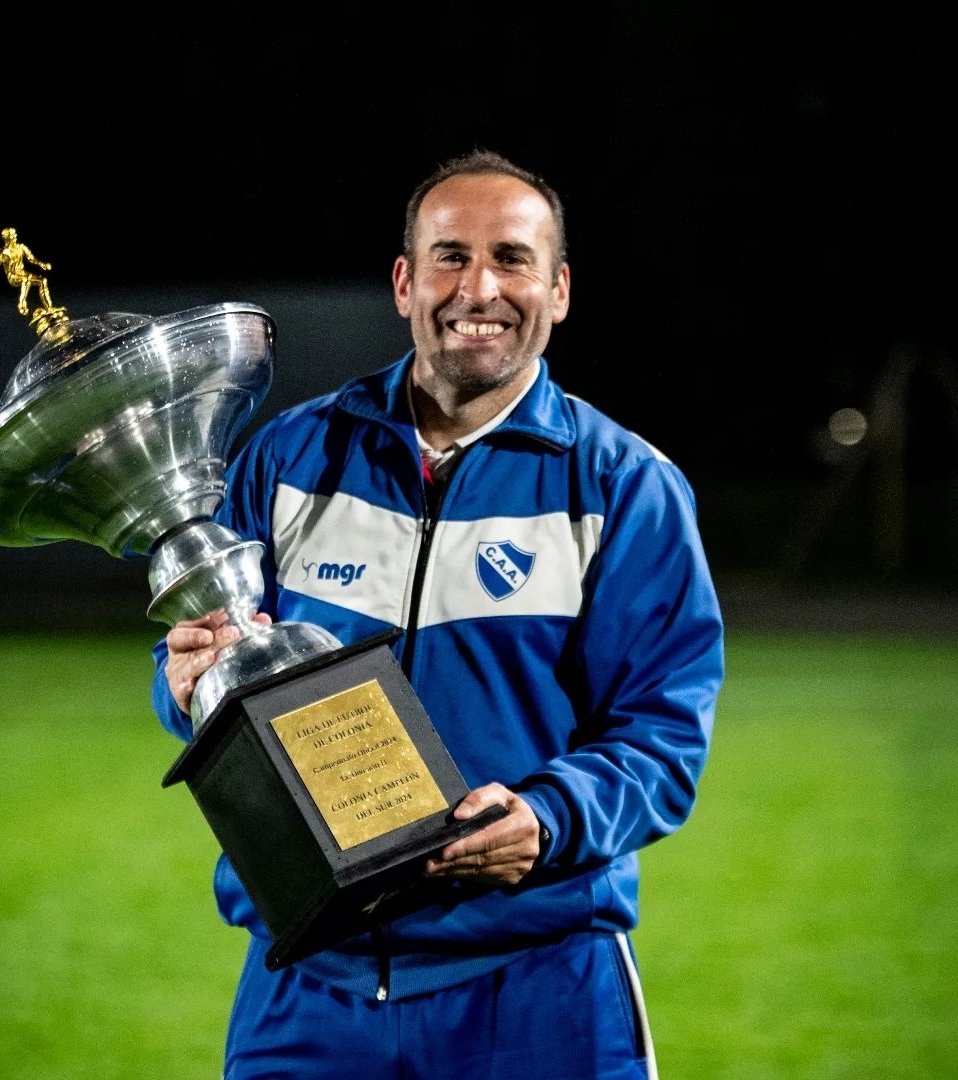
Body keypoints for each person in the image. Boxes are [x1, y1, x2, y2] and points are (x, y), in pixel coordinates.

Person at [151, 148, 724, 1080]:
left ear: (559, 290)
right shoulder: (288, 459)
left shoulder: (624, 486)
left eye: (512, 259)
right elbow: (212, 672)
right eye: (451, 256)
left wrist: (550, 817)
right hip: (309, 987)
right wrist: (186, 684)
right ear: (404, 283)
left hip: (539, 984)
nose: (479, 288)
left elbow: (663, 735)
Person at [0, 226, 56, 317]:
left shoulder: (21, 247)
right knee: (26, 280)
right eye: (12, 235)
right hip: (13, 277)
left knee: (43, 280)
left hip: (23, 273)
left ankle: (49, 308)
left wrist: (42, 264)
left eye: (15, 234)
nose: (15, 236)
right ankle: (22, 304)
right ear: (6, 238)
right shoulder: (4, 252)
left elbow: (31, 259)